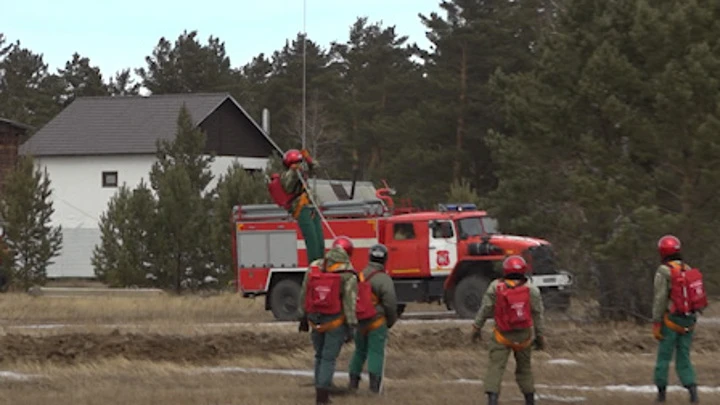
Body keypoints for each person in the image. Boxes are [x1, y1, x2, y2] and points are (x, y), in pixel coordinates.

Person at [471, 255, 545, 405]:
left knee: (495, 368)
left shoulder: (495, 287)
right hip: (524, 336)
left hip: (501, 335)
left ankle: (492, 400)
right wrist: (540, 336)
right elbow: (538, 314)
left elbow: (485, 309)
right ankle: (529, 400)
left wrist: (476, 327)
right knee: (525, 369)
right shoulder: (532, 290)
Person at [297, 236, 358, 405]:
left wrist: (302, 315)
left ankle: (320, 387)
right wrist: (352, 325)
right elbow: (349, 302)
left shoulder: (315, 266)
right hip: (335, 320)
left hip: (314, 318)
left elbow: (304, 292)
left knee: (319, 355)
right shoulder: (348, 272)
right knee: (328, 358)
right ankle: (323, 395)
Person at [652, 235, 707, 403]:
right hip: (689, 321)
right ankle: (693, 393)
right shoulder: (687, 268)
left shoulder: (663, 271)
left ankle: (661, 395)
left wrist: (656, 321)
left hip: (671, 321)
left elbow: (660, 299)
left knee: (663, 357)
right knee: (684, 357)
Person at [348, 243, 398, 394]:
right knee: (375, 352)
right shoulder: (384, 279)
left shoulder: (360, 275)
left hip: (360, 321)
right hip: (377, 321)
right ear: (385, 259)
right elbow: (390, 303)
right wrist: (390, 321)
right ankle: (374, 387)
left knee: (359, 351)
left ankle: (353, 383)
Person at [279, 148, 325, 263]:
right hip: (301, 209)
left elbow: (316, 169)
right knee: (312, 241)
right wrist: (294, 172)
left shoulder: (302, 171)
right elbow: (288, 187)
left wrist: (308, 160)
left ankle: (321, 262)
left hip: (311, 206)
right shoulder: (286, 175)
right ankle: (314, 265)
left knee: (319, 241)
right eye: (298, 163)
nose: (300, 165)